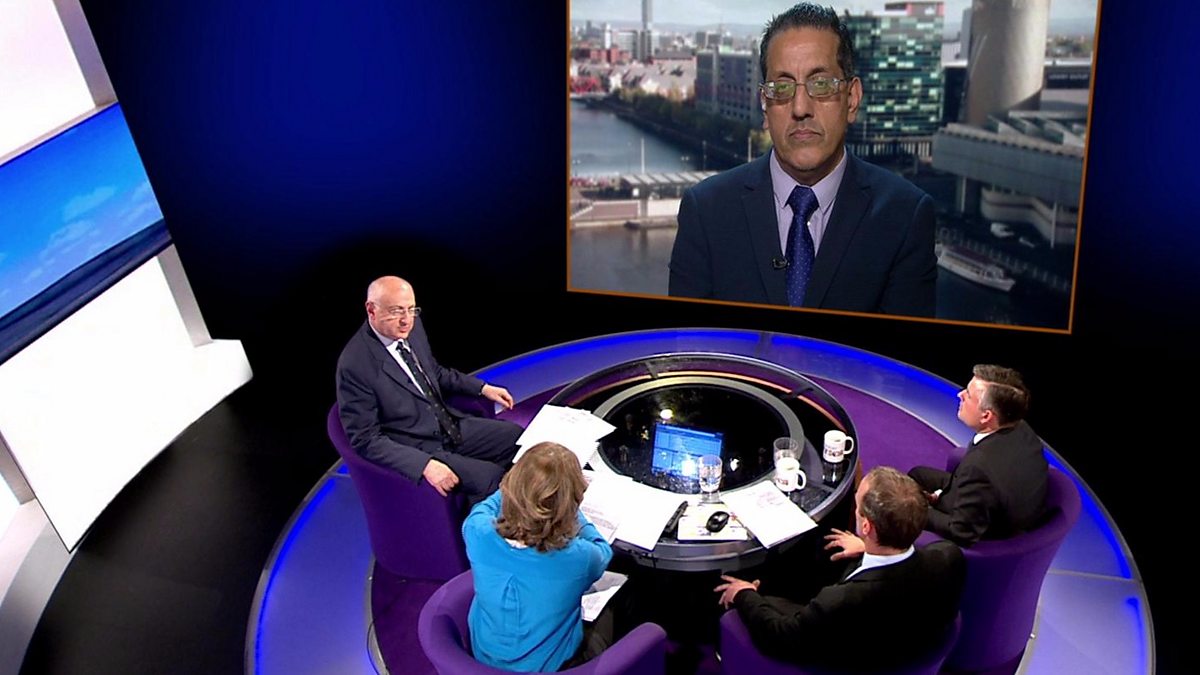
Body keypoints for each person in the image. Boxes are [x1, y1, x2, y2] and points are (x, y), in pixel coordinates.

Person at [668, 3, 936, 317]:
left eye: (820, 85)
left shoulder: (905, 216)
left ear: (852, 100)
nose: (800, 108)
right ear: (765, 105)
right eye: (781, 88)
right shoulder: (706, 210)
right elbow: (688, 342)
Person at [717, 467, 964, 672]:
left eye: (857, 504)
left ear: (866, 527)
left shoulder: (839, 602)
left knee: (765, 602)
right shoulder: (948, 557)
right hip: (907, 644)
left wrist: (745, 594)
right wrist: (867, 548)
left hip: (855, 660)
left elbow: (781, 637)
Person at [336, 276, 522, 500]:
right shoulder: (355, 365)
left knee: (518, 439)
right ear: (371, 309)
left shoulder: (412, 327)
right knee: (491, 478)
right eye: (396, 311)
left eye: (411, 309)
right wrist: (424, 464)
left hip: (450, 427)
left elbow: (434, 372)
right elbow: (365, 439)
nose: (406, 320)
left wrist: (482, 388)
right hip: (420, 446)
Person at [464, 442, 614, 672]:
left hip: (483, 657)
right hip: (547, 667)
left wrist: (524, 486)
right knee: (616, 606)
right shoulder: (578, 557)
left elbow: (492, 502)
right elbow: (603, 550)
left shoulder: (476, 529)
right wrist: (570, 510)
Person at [906, 364, 1048, 545]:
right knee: (917, 475)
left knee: (903, 503)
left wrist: (918, 510)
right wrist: (941, 493)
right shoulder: (1020, 427)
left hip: (987, 529)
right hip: (995, 498)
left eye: (968, 395)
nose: (960, 395)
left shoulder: (979, 467)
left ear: (986, 416)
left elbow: (962, 531)